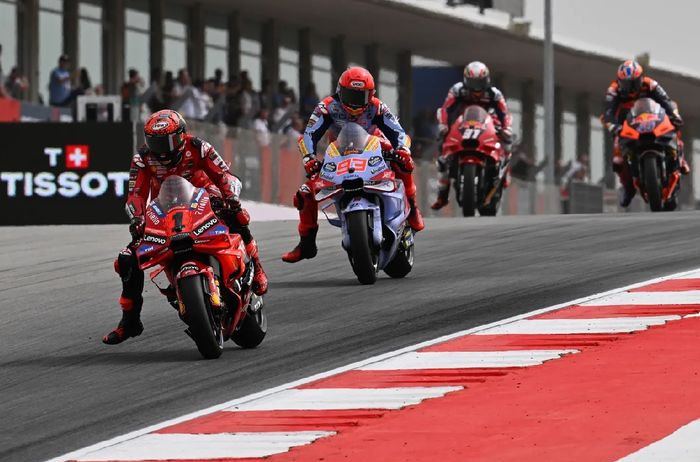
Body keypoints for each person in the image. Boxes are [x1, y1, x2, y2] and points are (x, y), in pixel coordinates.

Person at [103, 110, 268, 344]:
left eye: (167, 141)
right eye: (155, 142)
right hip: (167, 209)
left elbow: (222, 174)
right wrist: (137, 218)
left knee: (237, 215)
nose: (161, 149)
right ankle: (130, 321)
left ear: (181, 136)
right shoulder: (142, 158)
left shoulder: (199, 147)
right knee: (127, 258)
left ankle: (258, 267)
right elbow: (135, 195)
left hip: (206, 198)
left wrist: (229, 197)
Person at [281, 66, 424, 263]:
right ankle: (307, 243)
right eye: (350, 95)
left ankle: (413, 208)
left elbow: (399, 133)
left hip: (375, 148)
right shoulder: (327, 107)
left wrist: (402, 151)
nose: (355, 102)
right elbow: (308, 136)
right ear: (340, 90)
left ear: (371, 95)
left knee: (404, 164)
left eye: (361, 96)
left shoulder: (377, 107)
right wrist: (310, 159)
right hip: (340, 154)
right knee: (305, 193)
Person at [602, 60, 687, 207]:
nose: (632, 88)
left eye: (635, 83)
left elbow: (666, 101)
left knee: (673, 123)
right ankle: (628, 189)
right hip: (626, 124)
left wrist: (674, 115)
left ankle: (680, 159)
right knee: (618, 160)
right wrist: (613, 127)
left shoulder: (650, 84)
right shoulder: (613, 90)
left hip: (652, 119)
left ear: (641, 78)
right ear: (620, 81)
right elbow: (608, 114)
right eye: (628, 84)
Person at [431, 61, 513, 210]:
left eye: (479, 82)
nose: (476, 87)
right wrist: (443, 125)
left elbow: (504, 112)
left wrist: (506, 128)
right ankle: (442, 195)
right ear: (466, 80)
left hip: (489, 125)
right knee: (442, 155)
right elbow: (445, 109)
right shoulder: (457, 90)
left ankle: (505, 172)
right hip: (462, 124)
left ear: (486, 80)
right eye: (473, 82)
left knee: (508, 140)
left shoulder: (494, 94)